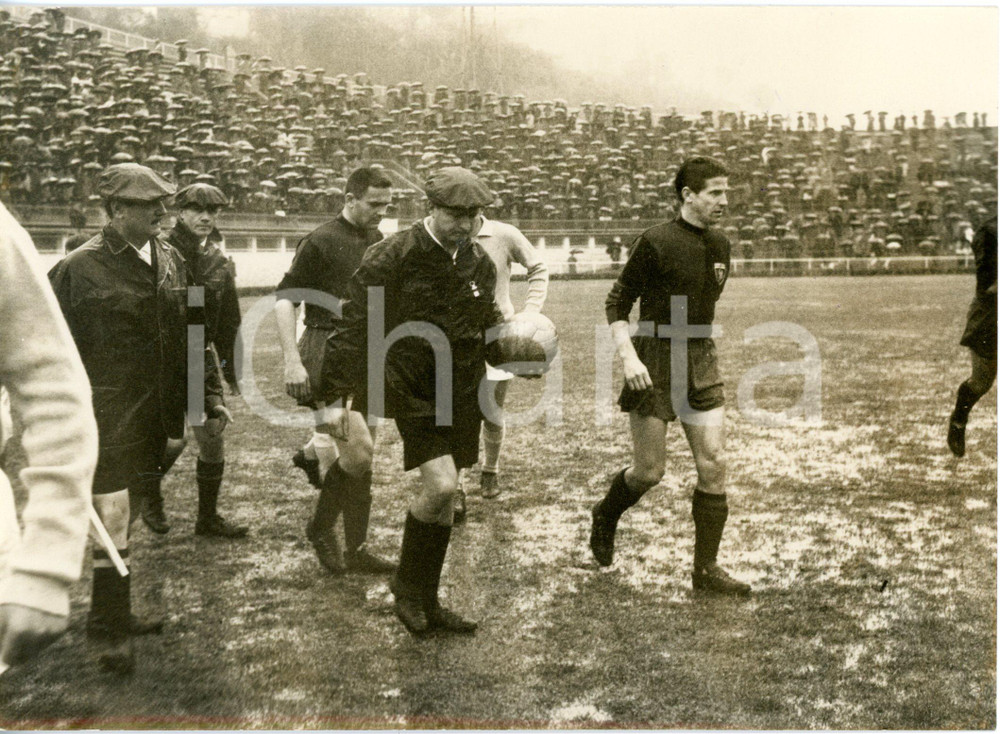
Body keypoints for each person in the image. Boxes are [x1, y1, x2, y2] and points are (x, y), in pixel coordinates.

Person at [49, 163, 230, 674]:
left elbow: (196, 332)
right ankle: (110, 630)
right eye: (146, 203)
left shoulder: (172, 259)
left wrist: (208, 394)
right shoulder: (77, 268)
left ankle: (110, 613)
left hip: (158, 409)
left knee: (123, 513)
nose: (160, 210)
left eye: (162, 201)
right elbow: (49, 347)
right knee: (113, 513)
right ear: (114, 210)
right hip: (105, 409)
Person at [318, 166, 506, 635]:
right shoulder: (393, 255)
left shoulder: (478, 262)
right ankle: (405, 587)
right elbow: (352, 325)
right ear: (431, 208)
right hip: (409, 384)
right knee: (441, 487)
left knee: (444, 501)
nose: (465, 224)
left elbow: (486, 324)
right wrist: (334, 397)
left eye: (473, 215)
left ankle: (429, 599)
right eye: (455, 214)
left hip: (462, 387)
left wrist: (516, 351)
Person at [592, 156, 750, 596]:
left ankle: (706, 569)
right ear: (688, 195)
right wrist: (629, 359)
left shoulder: (720, 244)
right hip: (653, 358)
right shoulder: (655, 241)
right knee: (649, 472)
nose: (724, 200)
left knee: (714, 462)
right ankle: (606, 513)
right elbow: (617, 302)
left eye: (726, 191)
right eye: (715, 192)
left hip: (700, 357)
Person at [274, 166, 396, 575]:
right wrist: (292, 360)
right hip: (325, 350)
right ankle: (320, 527)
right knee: (359, 451)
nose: (381, 211)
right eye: (374, 203)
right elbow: (285, 300)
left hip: (365, 351)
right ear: (349, 199)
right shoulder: (320, 241)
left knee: (362, 458)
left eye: (387, 204)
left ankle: (357, 549)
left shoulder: (377, 240)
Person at [0, 201, 98, 673]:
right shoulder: (80, 261)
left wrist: (46, 563)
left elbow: (52, 381)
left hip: (146, 385)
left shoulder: (190, 262)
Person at [129, 183, 246, 538]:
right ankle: (147, 493)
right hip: (160, 357)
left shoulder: (217, 261)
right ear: (180, 212)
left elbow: (228, 320)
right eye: (197, 209)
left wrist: (230, 370)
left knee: (212, 437)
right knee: (173, 440)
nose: (206, 217)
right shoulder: (157, 252)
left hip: (198, 358)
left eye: (213, 211)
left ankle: (207, 519)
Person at [453, 213, 548, 518]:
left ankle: (490, 470)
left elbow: (538, 267)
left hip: (498, 333)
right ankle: (456, 486)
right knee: (457, 412)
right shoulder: (446, 232)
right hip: (455, 335)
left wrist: (530, 312)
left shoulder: (503, 234)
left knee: (492, 409)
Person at [948, 213, 997, 457]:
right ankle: (959, 419)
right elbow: (988, 286)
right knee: (981, 382)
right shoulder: (990, 231)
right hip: (991, 313)